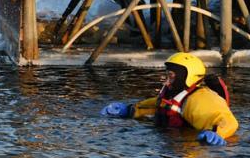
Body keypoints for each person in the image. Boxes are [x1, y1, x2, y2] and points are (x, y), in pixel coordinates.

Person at [101, 53, 238, 146]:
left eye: (171, 76)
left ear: (186, 76)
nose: (166, 81)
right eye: (166, 75)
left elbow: (229, 121)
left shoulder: (201, 99)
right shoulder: (175, 94)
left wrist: (217, 134)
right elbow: (159, 107)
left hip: (194, 151)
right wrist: (130, 110)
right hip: (173, 146)